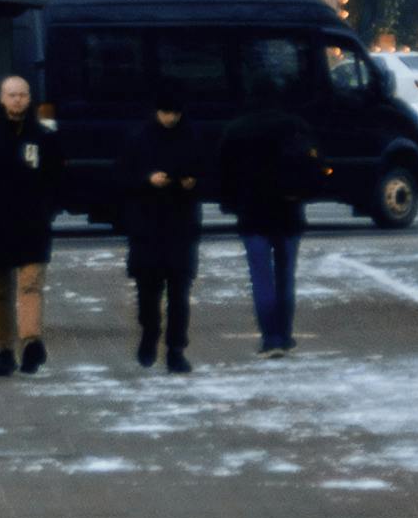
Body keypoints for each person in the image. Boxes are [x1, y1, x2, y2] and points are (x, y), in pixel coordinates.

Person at [0, 67, 65, 377]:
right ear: (2, 99)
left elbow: (58, 177)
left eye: (22, 95)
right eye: (11, 95)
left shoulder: (43, 137)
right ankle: (5, 348)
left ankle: (31, 341)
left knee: (30, 284)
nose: (17, 101)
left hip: (32, 224)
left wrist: (48, 207)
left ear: (29, 99)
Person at [213, 82, 326, 357]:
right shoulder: (295, 126)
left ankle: (269, 339)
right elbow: (315, 167)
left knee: (261, 278)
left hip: (252, 214)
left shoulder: (236, 130)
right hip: (288, 212)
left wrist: (231, 205)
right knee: (286, 278)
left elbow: (222, 174)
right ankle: (285, 335)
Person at [121, 98, 206, 372]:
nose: (170, 118)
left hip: (181, 225)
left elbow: (207, 171)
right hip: (148, 226)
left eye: (174, 112)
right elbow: (121, 176)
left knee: (179, 293)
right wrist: (148, 179)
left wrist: (192, 181)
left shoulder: (191, 136)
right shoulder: (139, 138)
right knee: (148, 292)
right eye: (165, 112)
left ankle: (176, 349)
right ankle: (149, 334)